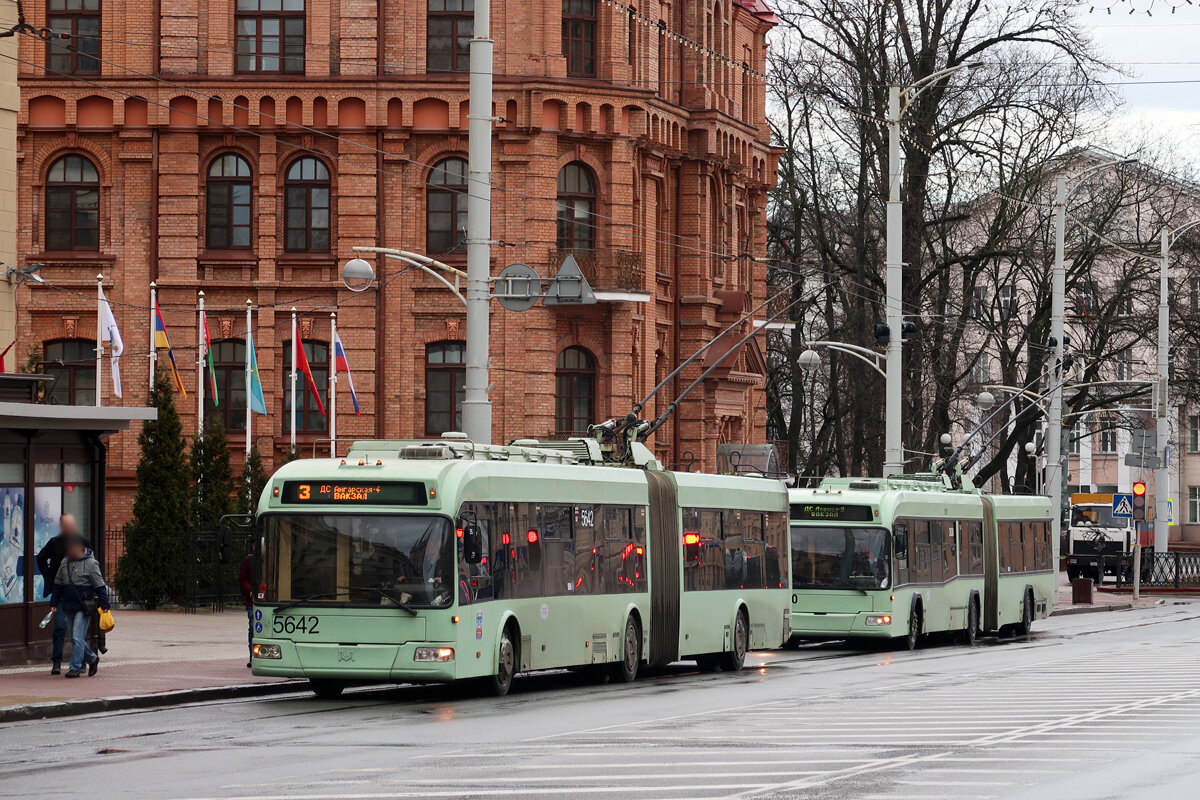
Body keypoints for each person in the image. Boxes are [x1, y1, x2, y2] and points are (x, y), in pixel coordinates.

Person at [35, 515, 91, 675]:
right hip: (60, 592)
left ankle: (81, 662)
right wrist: (49, 576)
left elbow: (92, 564)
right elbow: (40, 558)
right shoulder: (55, 542)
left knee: (77, 632)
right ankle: (57, 662)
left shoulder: (83, 541)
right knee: (59, 626)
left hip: (79, 594)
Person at [49, 536, 110, 678]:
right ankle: (92, 659)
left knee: (77, 636)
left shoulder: (91, 563)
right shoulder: (65, 562)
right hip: (68, 605)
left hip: (83, 606)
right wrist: (54, 602)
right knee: (73, 637)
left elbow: (99, 585)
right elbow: (58, 584)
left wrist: (104, 604)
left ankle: (75, 667)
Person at [238, 554, 254, 669]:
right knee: (253, 627)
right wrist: (250, 591)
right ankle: (253, 656)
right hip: (252, 601)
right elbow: (242, 578)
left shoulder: (272, 556)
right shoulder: (249, 559)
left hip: (266, 600)